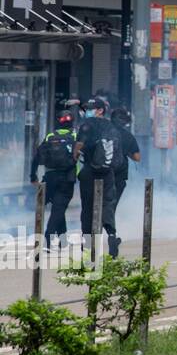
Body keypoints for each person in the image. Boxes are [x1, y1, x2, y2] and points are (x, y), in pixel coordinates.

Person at [72, 96, 120, 255]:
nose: (88, 111)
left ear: (100, 110)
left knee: (87, 206)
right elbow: (118, 154)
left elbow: (79, 145)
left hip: (89, 171)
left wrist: (75, 156)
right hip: (107, 172)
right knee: (108, 204)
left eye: (92, 108)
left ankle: (87, 241)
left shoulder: (87, 125)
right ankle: (112, 235)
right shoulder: (112, 127)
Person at [29, 109, 78, 247]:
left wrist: (33, 176)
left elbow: (36, 157)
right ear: (72, 122)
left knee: (58, 207)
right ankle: (48, 240)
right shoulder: (76, 136)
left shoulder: (50, 136)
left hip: (49, 177)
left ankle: (62, 240)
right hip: (67, 178)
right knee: (59, 208)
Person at [105, 108, 142, 257]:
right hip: (118, 177)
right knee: (110, 207)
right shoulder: (127, 136)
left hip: (100, 175)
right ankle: (111, 236)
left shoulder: (103, 131)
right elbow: (137, 157)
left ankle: (89, 240)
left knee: (95, 207)